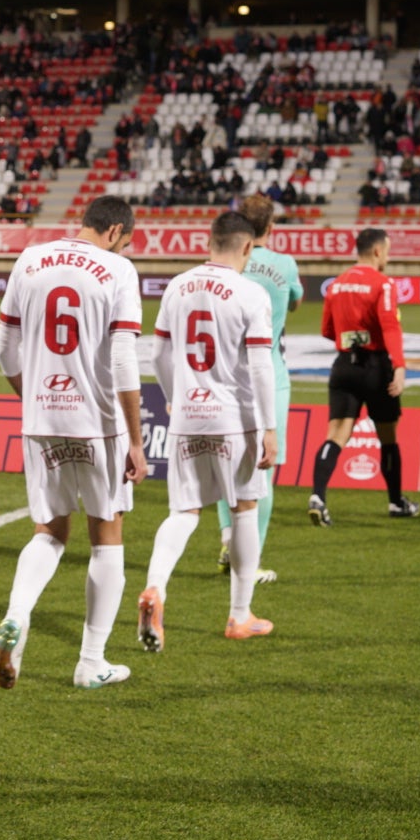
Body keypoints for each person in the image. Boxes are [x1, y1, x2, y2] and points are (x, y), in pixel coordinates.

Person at [0, 195, 147, 692]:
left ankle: (16, 616)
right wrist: (137, 441)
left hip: (41, 417)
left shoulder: (30, 258)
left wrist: (32, 397)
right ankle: (91, 661)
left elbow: (4, 349)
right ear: (117, 230)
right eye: (127, 239)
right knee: (107, 534)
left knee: (50, 530)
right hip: (98, 421)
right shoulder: (118, 270)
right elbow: (123, 358)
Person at [139, 211, 278, 649]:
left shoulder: (177, 286)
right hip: (234, 420)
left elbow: (158, 355)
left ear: (209, 241)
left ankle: (155, 588)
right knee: (244, 508)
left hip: (186, 416)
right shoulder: (250, 293)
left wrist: (173, 397)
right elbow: (259, 364)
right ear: (248, 248)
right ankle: (240, 615)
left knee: (183, 512)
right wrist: (268, 426)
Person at [305, 228, 414, 527]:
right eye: (388, 251)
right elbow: (390, 326)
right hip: (376, 367)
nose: (388, 257)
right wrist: (400, 366)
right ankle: (395, 501)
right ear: (378, 251)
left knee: (336, 434)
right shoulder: (383, 284)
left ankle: (318, 497)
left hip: (343, 366)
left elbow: (327, 330)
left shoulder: (337, 285)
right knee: (388, 438)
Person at [223, 195, 304, 578]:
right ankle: (249, 560)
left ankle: (227, 536)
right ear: (271, 228)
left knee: (228, 462)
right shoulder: (284, 264)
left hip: (228, 376)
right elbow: (296, 302)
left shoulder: (230, 262)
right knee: (265, 470)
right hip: (270, 374)